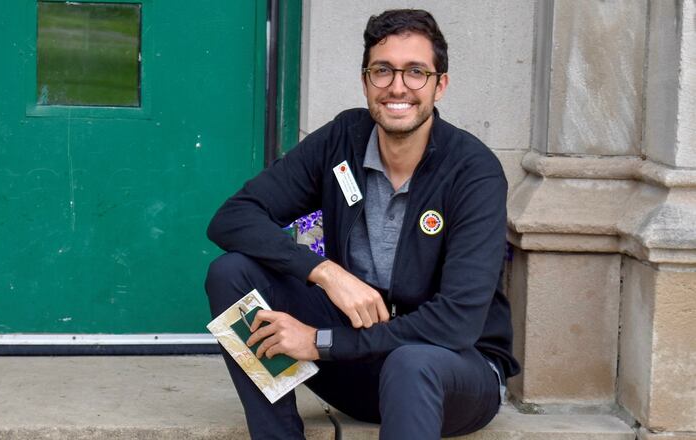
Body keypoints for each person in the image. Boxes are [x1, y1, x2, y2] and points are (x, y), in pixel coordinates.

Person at [205, 8, 520, 440]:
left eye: (416, 73)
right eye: (383, 70)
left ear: (439, 85)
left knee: (413, 361)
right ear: (365, 80)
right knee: (231, 273)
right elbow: (233, 217)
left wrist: (319, 342)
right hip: (358, 364)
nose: (397, 87)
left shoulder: (472, 172)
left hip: (451, 376)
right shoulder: (342, 140)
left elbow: (455, 325)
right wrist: (324, 272)